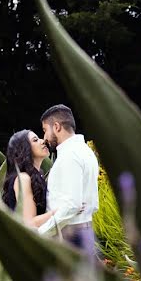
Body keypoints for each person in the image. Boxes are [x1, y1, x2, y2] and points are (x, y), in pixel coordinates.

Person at [1, 129, 53, 281]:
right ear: (24, 150)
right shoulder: (22, 178)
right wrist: (62, 212)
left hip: (28, 250)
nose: (42, 141)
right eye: (35, 140)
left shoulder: (35, 176)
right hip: (21, 252)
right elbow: (28, 222)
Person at [39, 104, 99, 253]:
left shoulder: (69, 156)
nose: (45, 138)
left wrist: (40, 233)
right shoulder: (86, 152)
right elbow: (93, 204)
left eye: (45, 130)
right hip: (85, 232)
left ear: (57, 127)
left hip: (70, 238)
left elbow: (72, 205)